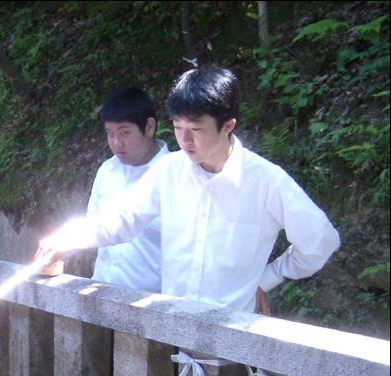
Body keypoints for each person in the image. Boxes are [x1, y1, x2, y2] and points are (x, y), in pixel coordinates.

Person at [37, 65, 340, 315]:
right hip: (172, 332)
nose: (185, 140)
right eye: (178, 127)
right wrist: (66, 240)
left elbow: (319, 242)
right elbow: (120, 220)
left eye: (196, 129)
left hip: (231, 340)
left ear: (227, 125)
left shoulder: (266, 182)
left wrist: (266, 278)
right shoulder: (169, 171)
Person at [86, 86, 170, 293]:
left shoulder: (176, 177)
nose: (116, 143)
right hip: (100, 298)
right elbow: (91, 227)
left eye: (124, 132)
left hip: (152, 307)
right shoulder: (107, 171)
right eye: (110, 133)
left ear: (149, 127)